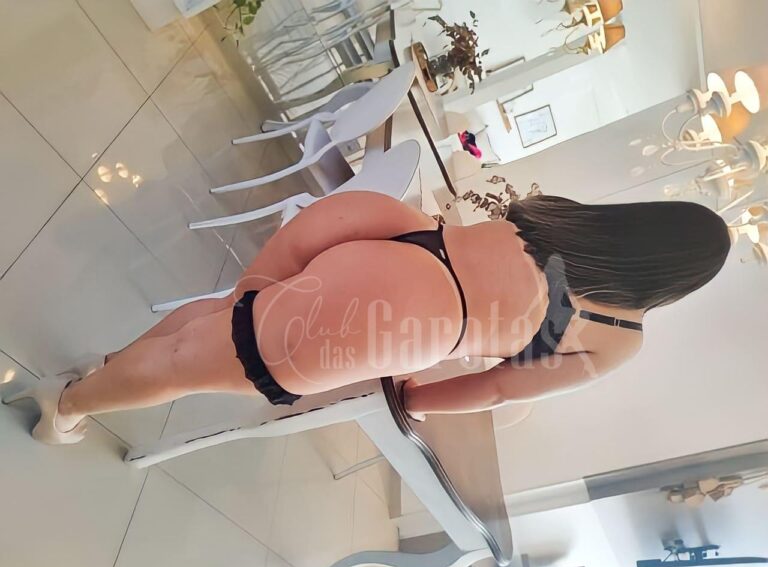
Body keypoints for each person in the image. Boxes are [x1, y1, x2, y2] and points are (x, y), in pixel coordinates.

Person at [1, 192, 730, 444]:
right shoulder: (618, 336)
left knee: (225, 317)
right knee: (195, 365)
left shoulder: (565, 219)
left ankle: (103, 372)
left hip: (397, 232)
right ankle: (67, 403)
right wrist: (418, 400)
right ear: (673, 284)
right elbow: (500, 386)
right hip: (412, 315)